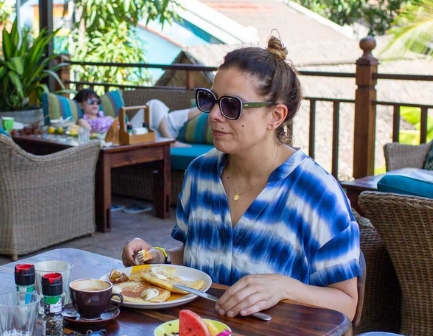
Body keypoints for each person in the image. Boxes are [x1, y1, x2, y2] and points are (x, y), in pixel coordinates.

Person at [122, 36, 361, 321]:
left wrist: (286, 288)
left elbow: (347, 302)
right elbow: (194, 255)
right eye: (210, 100)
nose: (213, 115)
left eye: (231, 106)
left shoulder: (315, 192)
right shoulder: (200, 174)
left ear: (276, 115)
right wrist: (157, 258)